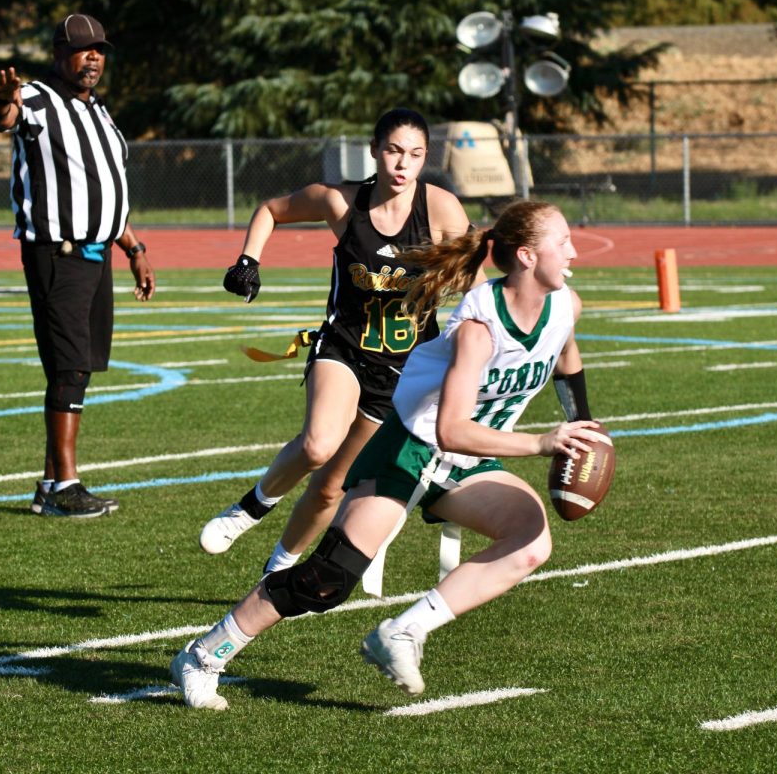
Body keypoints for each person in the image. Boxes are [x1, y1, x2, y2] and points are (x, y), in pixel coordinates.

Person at [172, 199, 601, 709]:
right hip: (411, 448)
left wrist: (583, 423)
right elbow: (451, 429)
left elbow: (566, 358)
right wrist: (540, 442)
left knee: (530, 543)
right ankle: (203, 656)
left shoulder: (565, 306)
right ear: (528, 256)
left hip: (467, 459)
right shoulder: (479, 327)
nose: (574, 251)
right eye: (563, 242)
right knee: (327, 579)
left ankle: (402, 632)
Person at [199, 107, 472, 574]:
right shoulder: (343, 203)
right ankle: (248, 509)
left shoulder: (441, 208)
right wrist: (248, 260)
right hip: (343, 346)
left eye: (415, 154)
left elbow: (476, 283)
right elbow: (271, 209)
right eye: (393, 151)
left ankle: (278, 569)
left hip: (403, 369)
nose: (403, 164)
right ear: (373, 151)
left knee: (331, 486)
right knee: (318, 445)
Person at [0, 14, 155, 518]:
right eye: (84, 49)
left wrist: (134, 247)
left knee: (77, 367)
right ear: (61, 55)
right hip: (58, 252)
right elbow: (5, 118)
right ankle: (65, 488)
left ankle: (49, 484)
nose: (94, 57)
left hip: (99, 254)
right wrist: (0, 100)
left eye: (100, 49)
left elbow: (104, 190)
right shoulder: (38, 97)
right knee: (69, 366)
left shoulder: (99, 111)